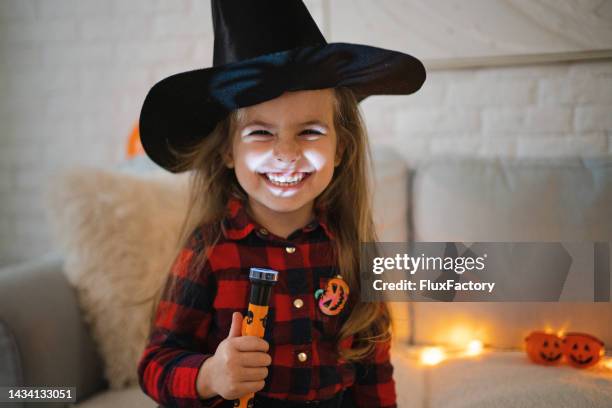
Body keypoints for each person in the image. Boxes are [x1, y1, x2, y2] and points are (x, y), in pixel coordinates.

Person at [136, 1, 425, 407]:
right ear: (228, 152)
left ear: (341, 147)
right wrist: (211, 374)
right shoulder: (208, 250)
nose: (286, 154)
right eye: (260, 133)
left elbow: (373, 366)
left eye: (309, 131)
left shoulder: (349, 248)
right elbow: (156, 364)